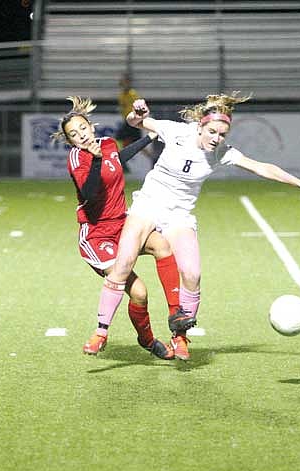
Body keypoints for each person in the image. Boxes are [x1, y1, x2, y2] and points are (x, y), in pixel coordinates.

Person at [97, 92, 300, 360]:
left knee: (192, 274)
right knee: (124, 262)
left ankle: (181, 337)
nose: (216, 139)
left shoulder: (222, 153)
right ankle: (101, 332)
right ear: (200, 126)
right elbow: (136, 123)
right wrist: (136, 114)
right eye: (212, 132)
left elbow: (261, 167)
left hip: (179, 215)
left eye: (222, 134)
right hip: (148, 205)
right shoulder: (176, 131)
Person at [52, 96, 194, 359]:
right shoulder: (77, 158)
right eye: (73, 134)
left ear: (91, 127)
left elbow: (117, 159)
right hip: (96, 235)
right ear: (70, 141)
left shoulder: (107, 145)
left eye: (83, 128)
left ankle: (177, 315)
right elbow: (90, 191)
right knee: (139, 293)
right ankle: (146, 341)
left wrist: (150, 137)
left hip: (122, 224)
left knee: (162, 246)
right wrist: (94, 160)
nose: (80, 135)